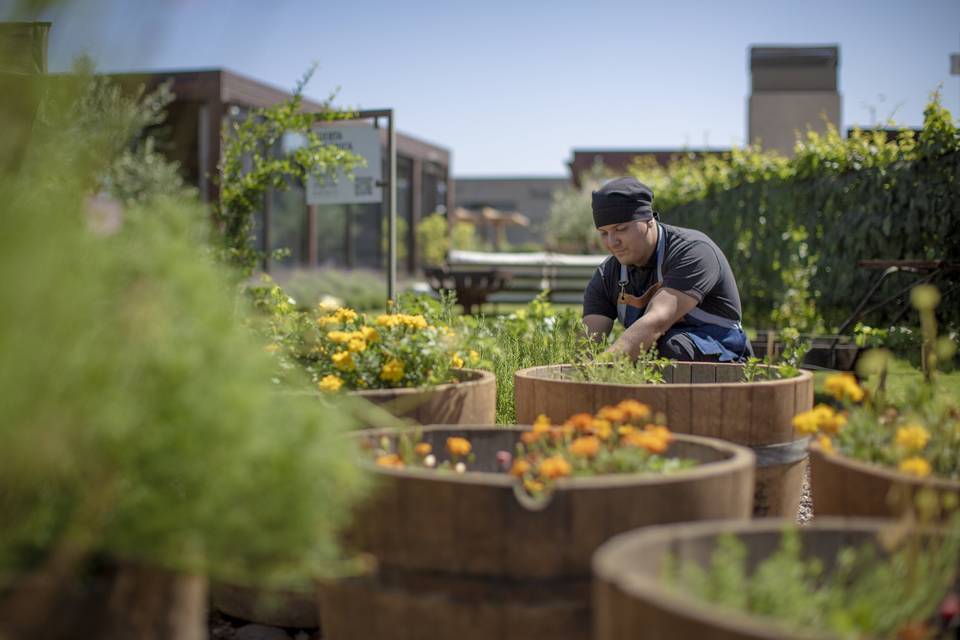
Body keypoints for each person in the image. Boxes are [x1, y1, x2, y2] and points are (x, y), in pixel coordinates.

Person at [582, 177, 752, 362]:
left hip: (726, 362)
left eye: (621, 229)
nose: (612, 242)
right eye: (604, 233)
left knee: (664, 346)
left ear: (648, 220)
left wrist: (599, 370)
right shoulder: (607, 275)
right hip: (660, 366)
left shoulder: (693, 251)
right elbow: (588, 341)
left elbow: (657, 321)